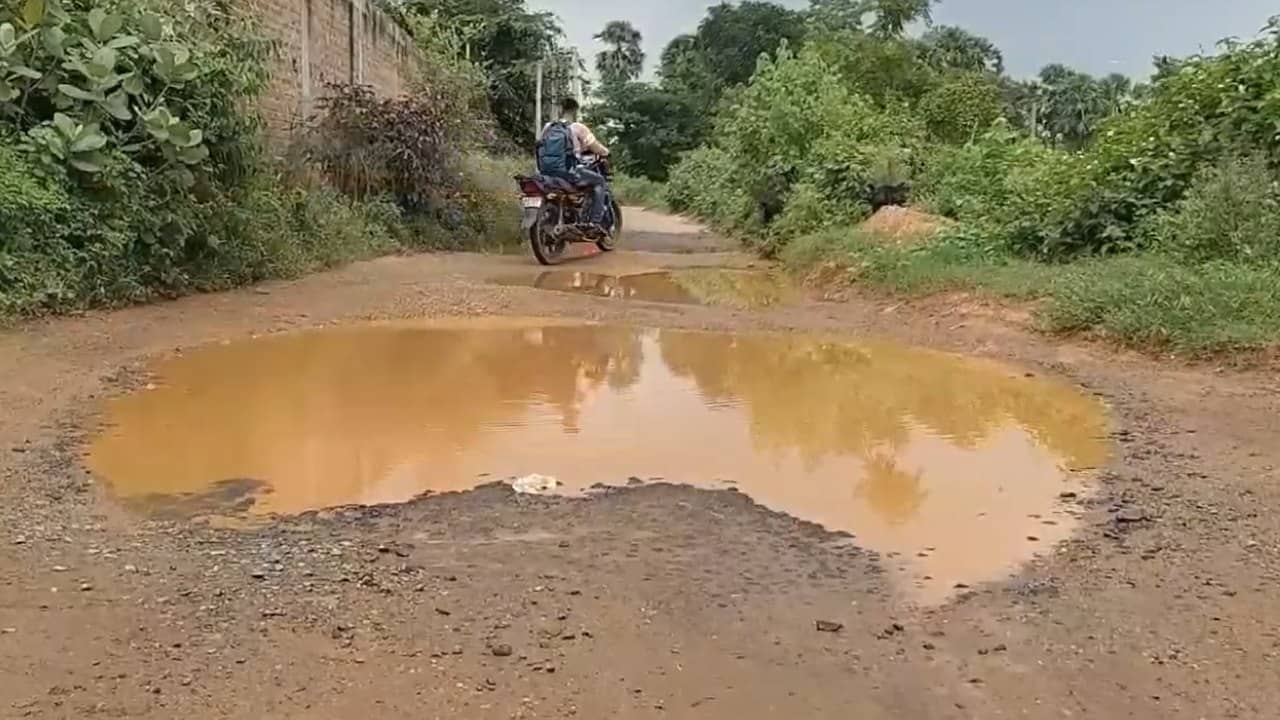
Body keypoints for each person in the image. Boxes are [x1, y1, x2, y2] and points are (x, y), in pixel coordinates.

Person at [537, 97, 611, 228]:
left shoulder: (548, 127)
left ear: (560, 110)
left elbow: (540, 146)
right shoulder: (578, 128)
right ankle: (594, 223)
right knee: (600, 181)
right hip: (569, 172)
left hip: (546, 172)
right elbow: (595, 146)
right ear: (575, 111)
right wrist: (606, 152)